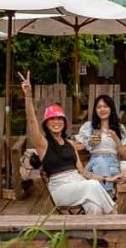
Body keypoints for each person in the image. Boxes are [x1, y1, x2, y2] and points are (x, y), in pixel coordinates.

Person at [21, 71, 116, 221]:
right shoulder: (43, 144)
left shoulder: (71, 144)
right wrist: (28, 96)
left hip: (78, 182)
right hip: (60, 189)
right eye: (52, 119)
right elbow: (32, 122)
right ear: (46, 123)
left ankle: (93, 236)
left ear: (64, 123)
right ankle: (115, 217)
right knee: (91, 186)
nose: (56, 122)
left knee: (94, 205)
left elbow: (84, 172)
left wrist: (106, 179)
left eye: (60, 119)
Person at [76, 94, 126, 192]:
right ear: (95, 110)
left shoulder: (119, 128)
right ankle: (108, 193)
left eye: (105, 106)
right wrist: (89, 142)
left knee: (108, 169)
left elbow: (125, 155)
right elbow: (76, 147)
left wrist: (116, 139)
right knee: (100, 161)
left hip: (113, 165)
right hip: (94, 163)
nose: (102, 109)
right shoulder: (89, 127)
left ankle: (105, 196)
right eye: (99, 107)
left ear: (111, 108)